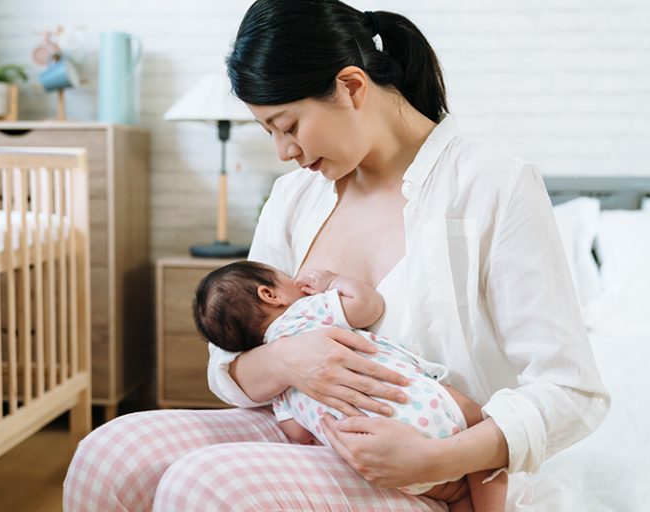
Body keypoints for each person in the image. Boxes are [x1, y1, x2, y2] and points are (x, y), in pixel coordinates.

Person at [63, 1, 610, 510]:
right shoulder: (294, 197)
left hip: (446, 470)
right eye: (269, 132)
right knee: (110, 454)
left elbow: (572, 391)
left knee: (203, 484)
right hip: (314, 430)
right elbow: (227, 366)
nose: (284, 151)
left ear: (351, 87)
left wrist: (436, 459)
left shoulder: (493, 187)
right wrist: (287, 360)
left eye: (288, 126)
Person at [192, 260, 508, 511]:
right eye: (286, 277)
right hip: (421, 403)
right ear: (269, 294)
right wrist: (331, 282)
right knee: (481, 430)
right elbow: (368, 305)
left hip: (382, 455)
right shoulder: (305, 312)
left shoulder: (279, 390)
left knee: (455, 493)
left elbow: (297, 433)